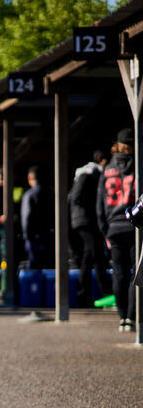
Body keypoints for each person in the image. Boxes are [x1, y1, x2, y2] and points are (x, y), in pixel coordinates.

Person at [98, 129, 137, 331]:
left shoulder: (108, 169)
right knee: (135, 272)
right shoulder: (138, 165)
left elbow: (99, 204)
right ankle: (131, 316)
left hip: (113, 226)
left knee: (119, 273)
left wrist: (105, 230)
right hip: (134, 225)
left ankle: (122, 317)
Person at [69, 150, 111, 306]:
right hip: (86, 220)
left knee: (91, 255)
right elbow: (76, 197)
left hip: (83, 220)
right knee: (95, 255)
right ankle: (102, 293)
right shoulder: (90, 173)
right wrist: (92, 211)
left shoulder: (86, 173)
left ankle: (86, 295)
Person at [21, 166, 54, 269]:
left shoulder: (29, 195)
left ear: (30, 178)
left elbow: (26, 217)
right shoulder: (52, 193)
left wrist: (26, 236)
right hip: (51, 237)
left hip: (35, 238)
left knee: (34, 271)